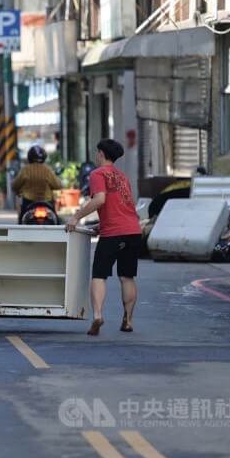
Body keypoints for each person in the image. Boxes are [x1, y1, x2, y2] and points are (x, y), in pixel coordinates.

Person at [65, 139, 141, 336]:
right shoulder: (122, 176)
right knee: (127, 276)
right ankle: (129, 321)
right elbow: (124, 207)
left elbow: (100, 200)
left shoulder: (97, 174)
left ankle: (97, 315)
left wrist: (76, 217)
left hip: (113, 234)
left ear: (100, 153)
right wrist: (101, 224)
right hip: (132, 230)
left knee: (99, 275)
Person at [12, 145, 62, 221]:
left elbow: (15, 185)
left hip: (28, 202)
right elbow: (58, 185)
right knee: (56, 221)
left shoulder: (25, 170)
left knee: (21, 220)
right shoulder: (47, 170)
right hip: (47, 202)